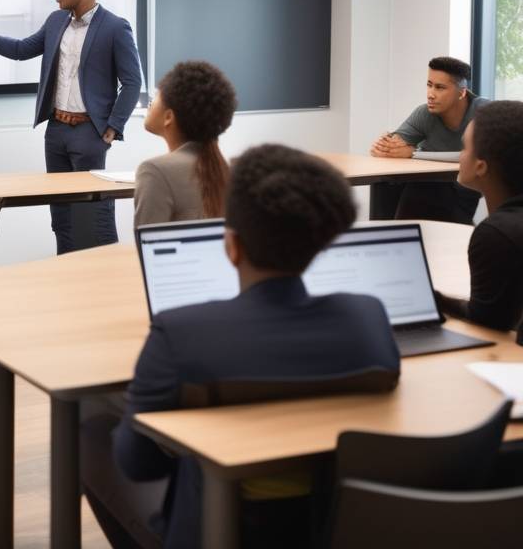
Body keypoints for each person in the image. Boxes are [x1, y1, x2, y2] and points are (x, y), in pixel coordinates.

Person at [83, 145, 401, 549]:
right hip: (331, 527)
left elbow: (138, 464)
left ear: (231, 245)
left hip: (217, 530)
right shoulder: (367, 319)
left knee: (89, 424)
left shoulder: (181, 332)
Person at [0, 0, 143, 253]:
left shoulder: (115, 27)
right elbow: (20, 50)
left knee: (94, 213)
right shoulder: (56, 22)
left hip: (89, 133)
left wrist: (112, 127)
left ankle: (106, 274)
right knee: (61, 215)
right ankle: (66, 272)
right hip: (56, 131)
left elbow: (132, 83)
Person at [437, 100, 523, 336]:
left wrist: (435, 299)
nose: (459, 157)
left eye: (464, 148)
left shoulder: (498, 234)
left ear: (480, 166)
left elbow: (490, 323)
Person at [369, 56, 489, 224]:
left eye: (440, 88)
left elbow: (470, 156)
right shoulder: (424, 113)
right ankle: (384, 238)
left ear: (461, 92)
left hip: (464, 185)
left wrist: (414, 154)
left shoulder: (484, 112)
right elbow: (394, 146)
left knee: (424, 188)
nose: (430, 94)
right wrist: (384, 147)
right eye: (429, 85)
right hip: (429, 184)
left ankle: (404, 234)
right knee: (385, 183)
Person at [134, 61, 236, 226]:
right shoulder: (226, 170)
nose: (151, 103)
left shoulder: (155, 171)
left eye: (158, 95)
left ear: (168, 117)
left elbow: (147, 248)